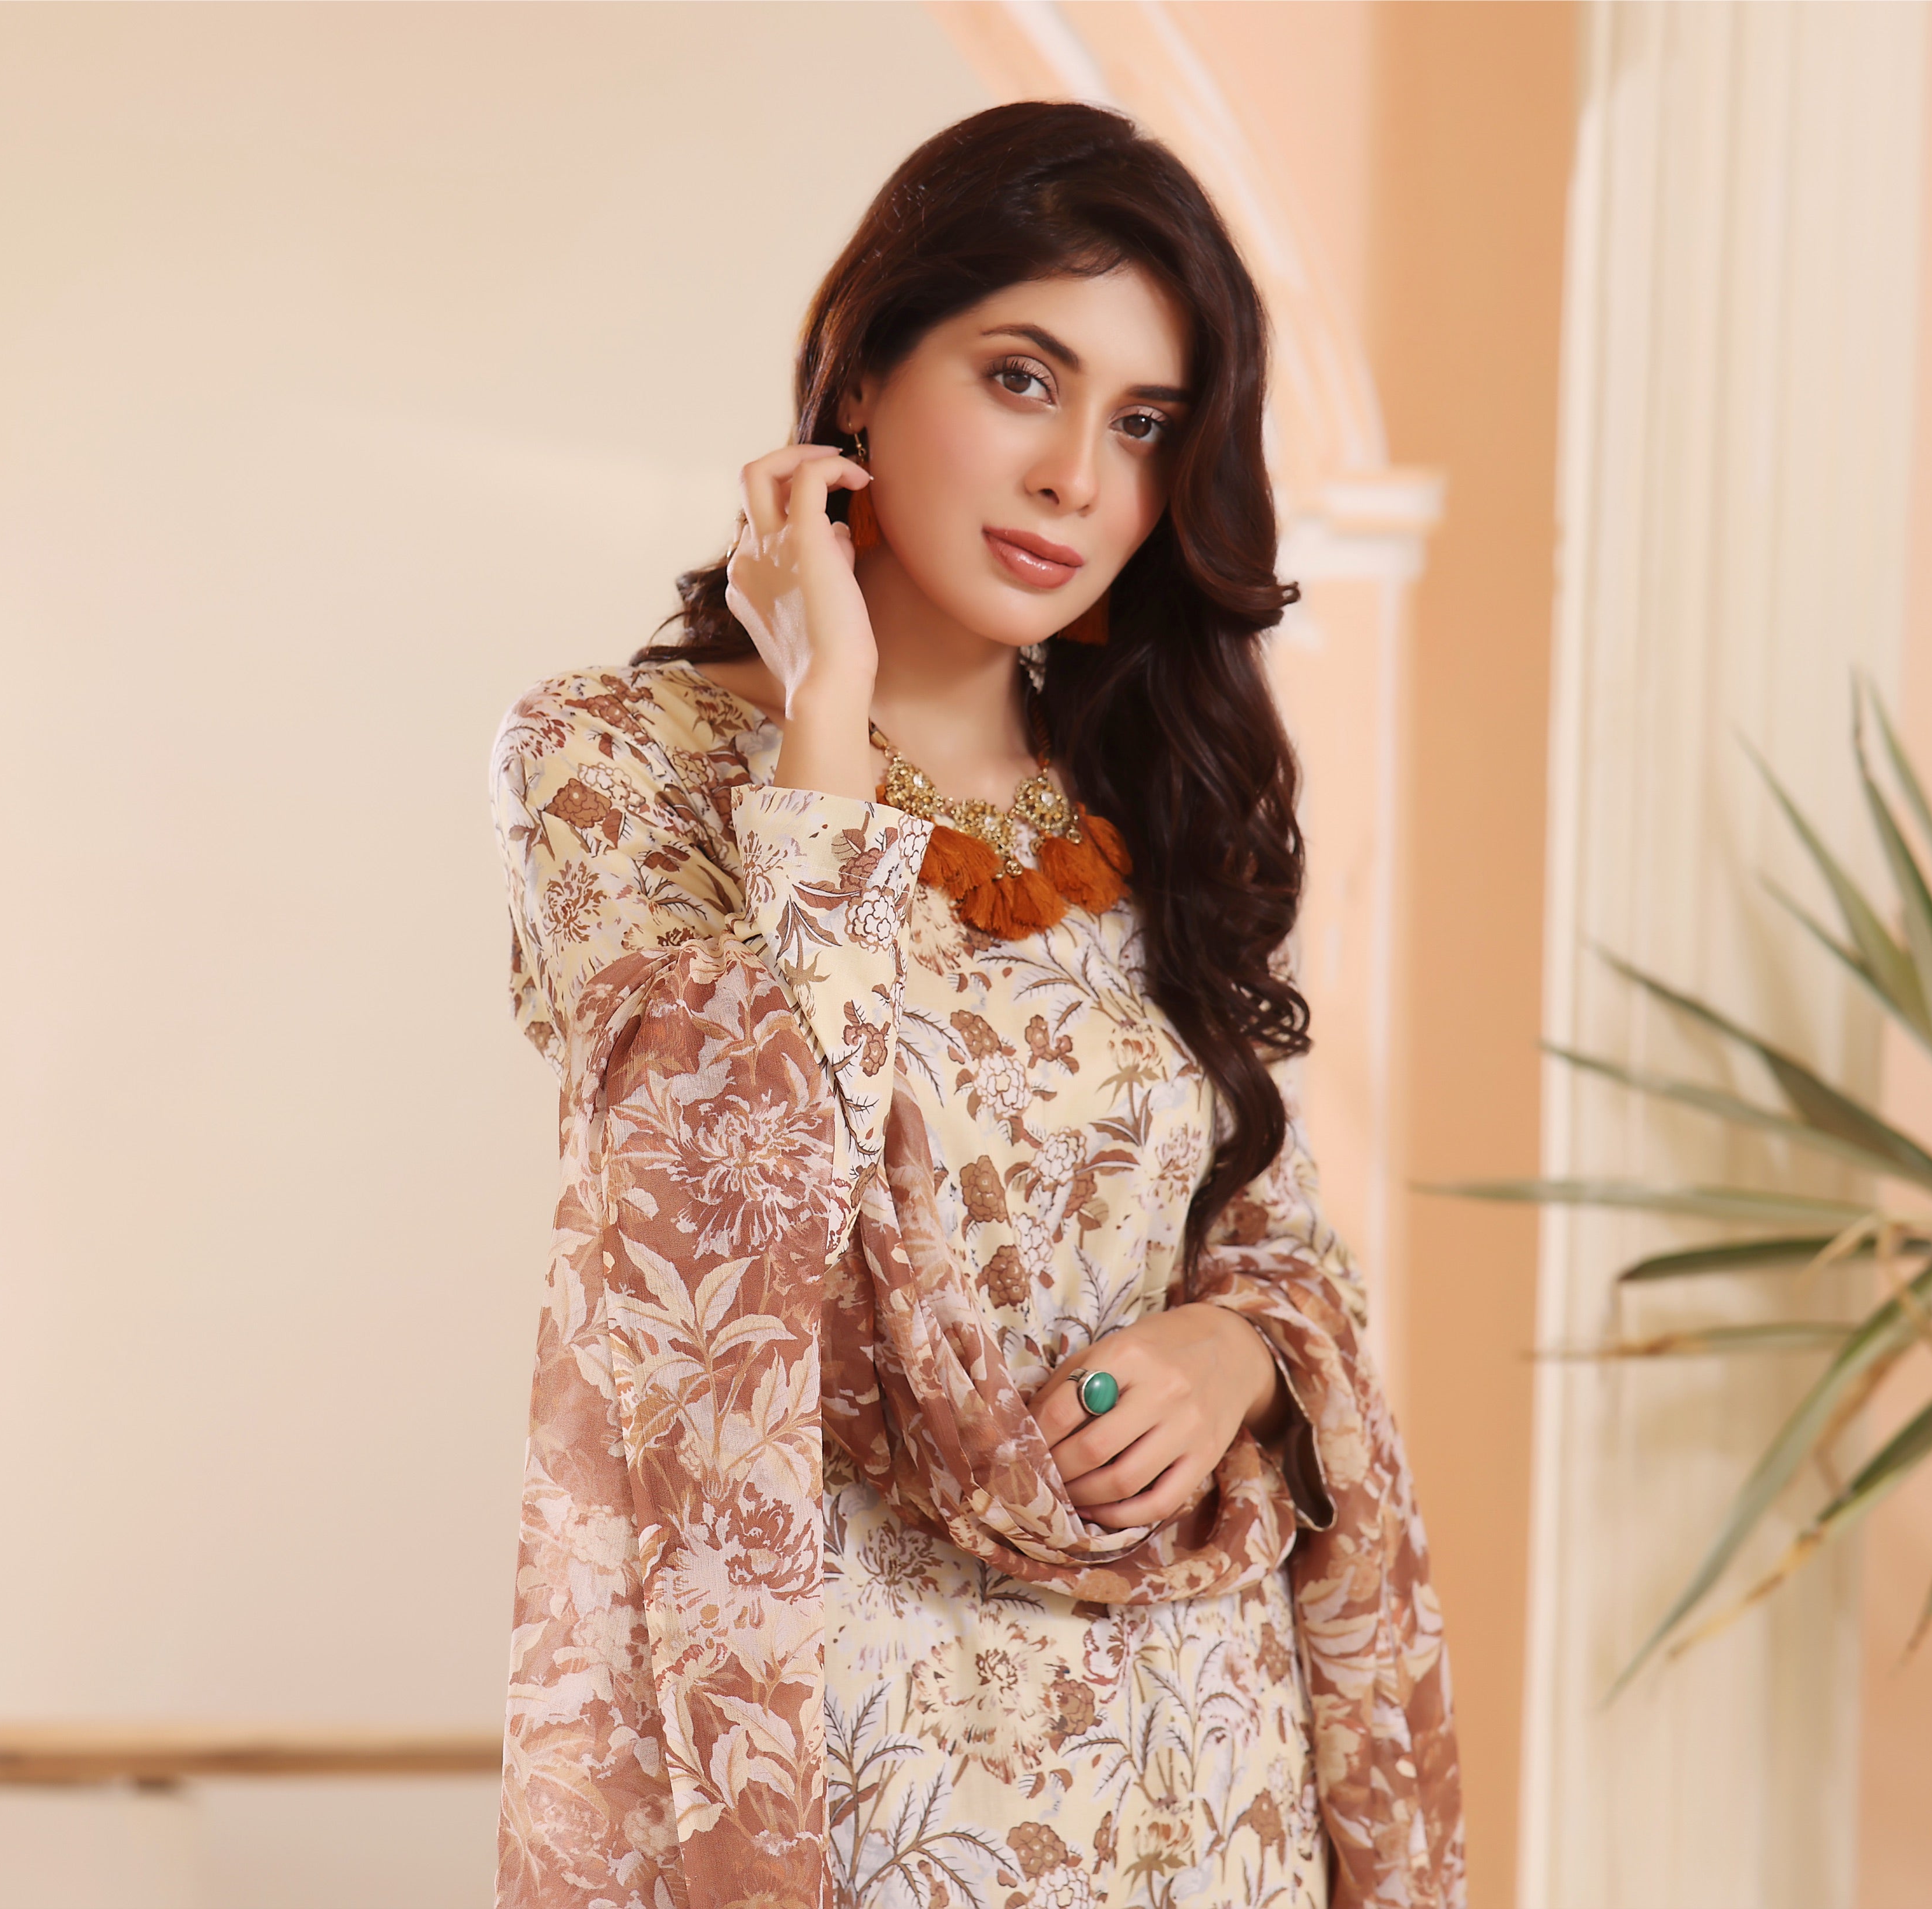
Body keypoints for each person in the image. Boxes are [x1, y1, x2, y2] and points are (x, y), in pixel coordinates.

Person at [484, 101, 1461, 1909]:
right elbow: (729, 1216)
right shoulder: (615, 763)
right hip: (864, 1772)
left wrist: (1241, 1354)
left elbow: (1278, 1239)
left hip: (1206, 1770)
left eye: (1143, 423)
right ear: (861, 371)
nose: (1076, 476)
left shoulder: (1153, 798)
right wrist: (824, 716)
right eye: (1023, 379)